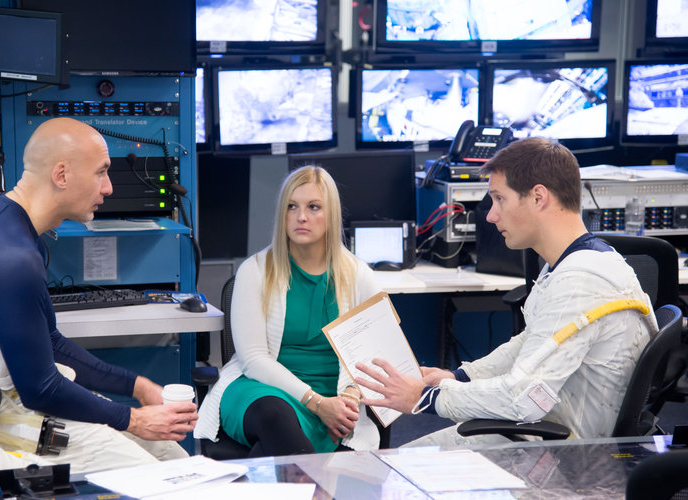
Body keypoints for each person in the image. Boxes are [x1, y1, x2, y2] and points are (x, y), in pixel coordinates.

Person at [355, 137, 658, 449]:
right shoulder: (577, 262)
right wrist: (458, 377)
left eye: (499, 199)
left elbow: (524, 398)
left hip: (568, 456)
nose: (490, 215)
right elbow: (529, 344)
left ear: (538, 197)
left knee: (393, 472)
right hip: (546, 433)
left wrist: (424, 397)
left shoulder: (580, 282)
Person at [0, 117, 197, 472]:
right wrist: (134, 420)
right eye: (101, 172)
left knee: (171, 457)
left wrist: (136, 386)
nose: (108, 188)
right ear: (61, 175)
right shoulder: (12, 257)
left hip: (4, 394)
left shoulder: (14, 228)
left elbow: (50, 343)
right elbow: (40, 389)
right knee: (156, 474)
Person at [194, 166, 383, 456]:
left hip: (331, 393)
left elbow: (371, 355)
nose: (301, 217)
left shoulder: (360, 276)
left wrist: (347, 398)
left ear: (331, 214)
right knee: (275, 417)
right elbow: (254, 360)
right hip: (261, 388)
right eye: (291, 207)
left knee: (267, 454)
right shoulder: (255, 271)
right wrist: (317, 404)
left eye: (314, 207)